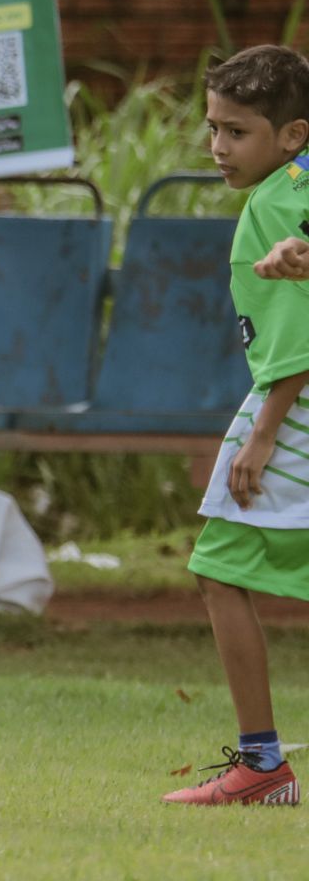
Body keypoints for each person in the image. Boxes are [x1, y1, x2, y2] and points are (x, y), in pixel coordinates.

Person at [163, 44, 309, 807]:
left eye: (237, 130)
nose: (218, 147)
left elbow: (298, 335)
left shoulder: (279, 201)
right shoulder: (297, 183)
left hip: (293, 407)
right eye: (212, 128)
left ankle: (262, 765)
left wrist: (264, 431)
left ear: (292, 134)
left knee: (220, 565)